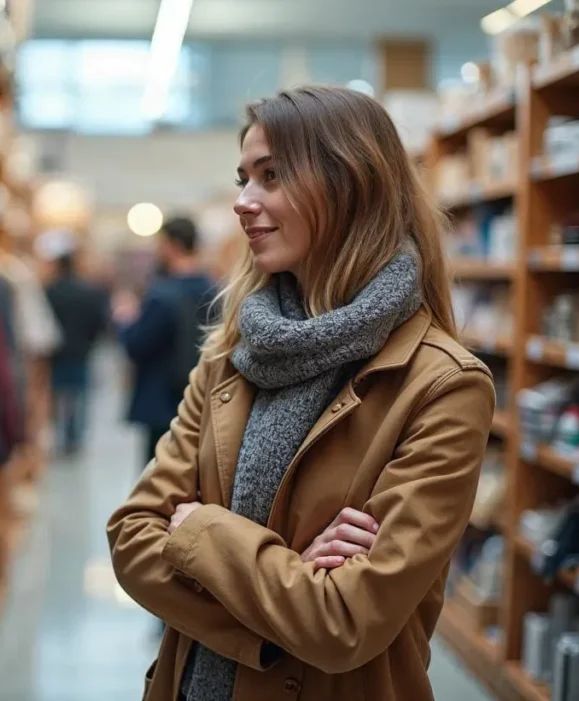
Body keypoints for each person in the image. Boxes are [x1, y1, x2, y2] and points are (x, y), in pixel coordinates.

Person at [106, 86, 495, 701]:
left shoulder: (443, 386)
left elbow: (344, 623)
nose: (242, 202)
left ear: (350, 184)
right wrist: (291, 582)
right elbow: (130, 536)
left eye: (272, 176)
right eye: (243, 178)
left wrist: (201, 530)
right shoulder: (231, 358)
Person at [114, 216, 217, 468]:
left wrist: (125, 320)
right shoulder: (213, 289)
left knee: (156, 476)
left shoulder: (161, 294)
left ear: (172, 245)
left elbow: (137, 344)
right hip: (201, 399)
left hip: (161, 401)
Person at [45, 249, 108, 456]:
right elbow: (99, 321)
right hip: (81, 351)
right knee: (79, 395)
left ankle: (58, 434)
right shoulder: (88, 292)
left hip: (56, 352)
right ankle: (75, 437)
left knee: (56, 395)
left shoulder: (50, 291)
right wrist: (90, 342)